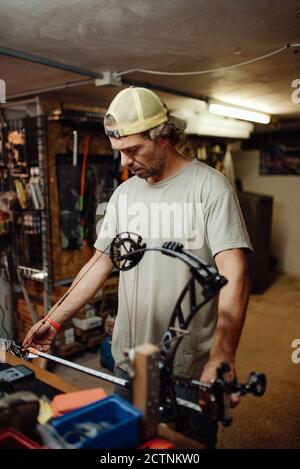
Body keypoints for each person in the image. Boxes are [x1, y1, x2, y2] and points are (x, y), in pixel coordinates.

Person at [23, 87, 252, 447]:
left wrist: (223, 354)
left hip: (188, 369)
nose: (124, 163)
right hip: (128, 362)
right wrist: (54, 319)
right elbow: (99, 264)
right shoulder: (124, 195)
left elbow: (235, 275)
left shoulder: (211, 188)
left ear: (162, 136)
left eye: (132, 150)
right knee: (128, 446)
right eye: (119, 153)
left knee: (181, 448)